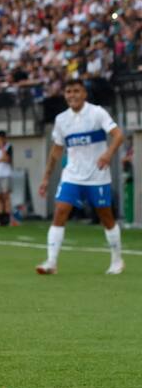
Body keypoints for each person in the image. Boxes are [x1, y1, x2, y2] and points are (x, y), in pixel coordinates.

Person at [37, 79, 124, 275]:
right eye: (68, 91)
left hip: (97, 175)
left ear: (84, 94)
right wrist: (45, 178)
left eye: (76, 91)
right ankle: (51, 262)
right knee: (60, 210)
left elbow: (118, 135)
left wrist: (108, 154)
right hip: (72, 175)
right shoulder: (61, 120)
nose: (72, 95)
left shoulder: (97, 112)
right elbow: (56, 152)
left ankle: (117, 260)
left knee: (106, 216)